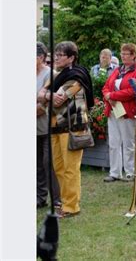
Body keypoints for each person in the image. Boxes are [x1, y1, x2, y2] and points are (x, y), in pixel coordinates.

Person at [37, 41, 94, 218]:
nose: (56, 58)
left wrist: (46, 95)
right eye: (56, 54)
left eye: (61, 55)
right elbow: (40, 94)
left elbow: (59, 98)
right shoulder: (55, 76)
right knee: (58, 167)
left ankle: (71, 206)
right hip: (55, 127)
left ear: (71, 58)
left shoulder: (77, 75)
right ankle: (63, 202)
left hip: (72, 128)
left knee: (70, 168)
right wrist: (46, 95)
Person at [102, 43, 136, 182]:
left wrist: (112, 96)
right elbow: (106, 86)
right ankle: (114, 172)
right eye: (122, 53)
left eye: (126, 53)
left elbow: (132, 92)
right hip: (113, 110)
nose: (123, 56)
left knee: (128, 143)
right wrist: (108, 95)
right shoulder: (117, 70)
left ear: (133, 55)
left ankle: (130, 172)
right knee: (114, 143)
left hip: (127, 112)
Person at [36, 42, 61, 209]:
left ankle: (57, 200)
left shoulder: (51, 74)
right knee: (36, 164)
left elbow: (45, 103)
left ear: (41, 58)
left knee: (49, 163)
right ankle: (40, 198)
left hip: (47, 127)